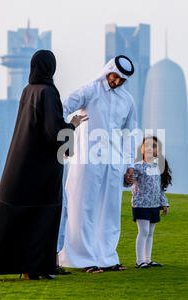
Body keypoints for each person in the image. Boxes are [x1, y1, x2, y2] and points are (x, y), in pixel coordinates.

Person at [0, 50, 87, 280]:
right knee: (44, 216)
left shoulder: (28, 91)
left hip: (21, 165)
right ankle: (39, 268)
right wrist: (73, 125)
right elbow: (52, 131)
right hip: (43, 169)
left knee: (25, 218)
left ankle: (29, 269)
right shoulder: (48, 92)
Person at [58, 55, 138, 273]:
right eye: (115, 77)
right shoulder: (89, 90)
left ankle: (107, 257)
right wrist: (65, 141)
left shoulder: (127, 100)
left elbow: (130, 133)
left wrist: (129, 165)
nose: (117, 82)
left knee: (110, 211)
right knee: (84, 207)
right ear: (108, 70)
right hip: (87, 160)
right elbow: (63, 110)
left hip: (114, 162)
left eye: (122, 80)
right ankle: (83, 259)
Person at [126, 136, 172, 268]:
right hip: (141, 205)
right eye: (147, 146)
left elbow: (160, 188)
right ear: (142, 149)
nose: (150, 149)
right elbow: (129, 182)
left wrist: (164, 203)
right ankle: (139, 261)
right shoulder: (138, 167)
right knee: (144, 231)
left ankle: (147, 259)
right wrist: (127, 177)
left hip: (154, 205)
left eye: (154, 146)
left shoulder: (158, 167)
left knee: (150, 233)